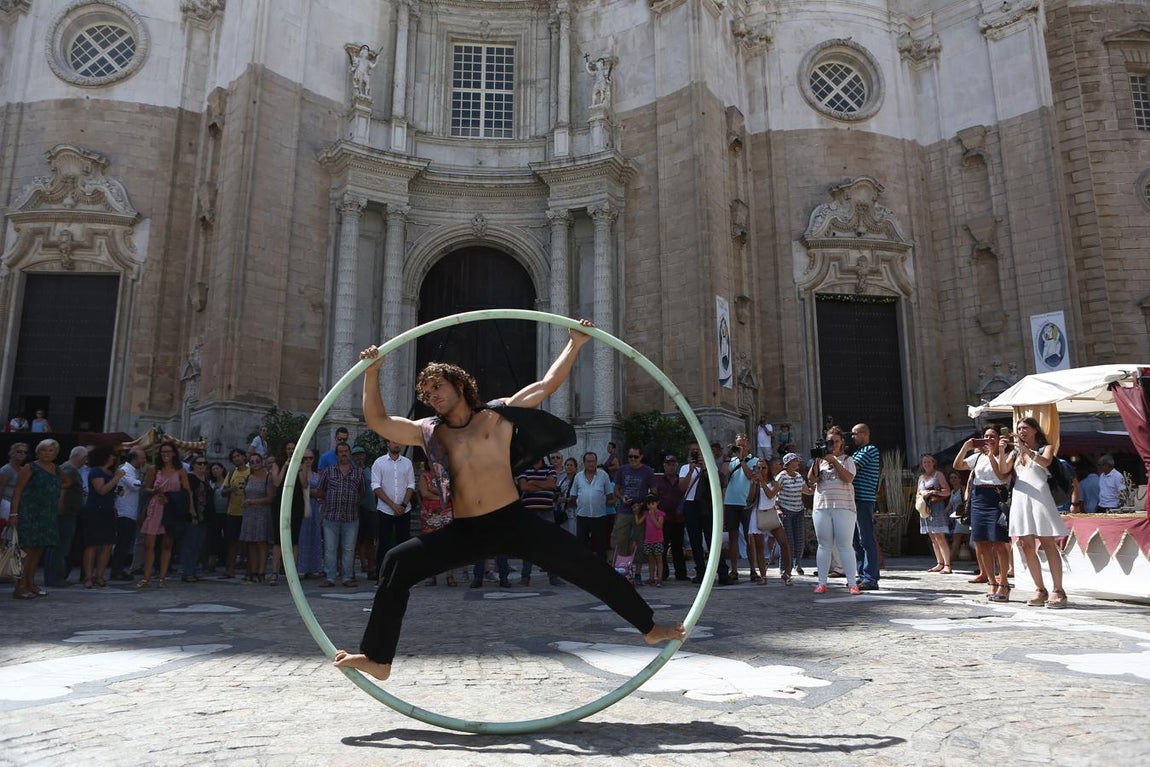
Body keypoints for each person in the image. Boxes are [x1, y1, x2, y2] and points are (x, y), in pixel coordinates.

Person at [334, 322, 684, 681]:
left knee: (587, 565)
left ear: (458, 384)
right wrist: (371, 372)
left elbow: (547, 385)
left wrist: (575, 344)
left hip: (514, 523)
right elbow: (378, 421)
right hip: (467, 530)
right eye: (426, 392)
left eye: (437, 387)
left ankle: (649, 626)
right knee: (395, 561)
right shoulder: (429, 432)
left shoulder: (499, 415)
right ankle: (378, 658)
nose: (432, 396)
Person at [1000, 418, 1070, 609]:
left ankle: (1058, 590)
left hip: (1040, 496)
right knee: (1026, 544)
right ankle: (1040, 588)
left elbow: (1046, 462)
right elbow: (1003, 471)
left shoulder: (1045, 447)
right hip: (1021, 498)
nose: (1021, 431)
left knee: (1047, 542)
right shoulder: (1015, 452)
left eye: (1025, 428)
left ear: (1035, 430)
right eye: (1019, 428)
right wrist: (999, 450)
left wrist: (1026, 450)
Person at [954, 427, 1013, 602]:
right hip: (978, 498)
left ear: (999, 438)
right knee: (981, 542)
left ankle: (1004, 582)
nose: (989, 439)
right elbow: (958, 465)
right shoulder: (978, 457)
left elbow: (1001, 474)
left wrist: (992, 455)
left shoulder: (1006, 455)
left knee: (999, 543)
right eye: (986, 436)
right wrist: (965, 448)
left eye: (992, 436)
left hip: (996, 497)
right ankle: (991, 580)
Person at [809, 427, 860, 595]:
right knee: (824, 545)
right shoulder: (820, 461)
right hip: (822, 506)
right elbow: (811, 479)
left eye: (837, 441)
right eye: (830, 441)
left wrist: (834, 461)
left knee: (845, 545)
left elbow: (848, 478)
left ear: (842, 443)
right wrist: (818, 460)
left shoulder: (847, 459)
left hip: (843, 507)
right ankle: (821, 583)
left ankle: (852, 583)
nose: (834, 444)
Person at [8, 439, 62, 598]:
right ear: (38, 452)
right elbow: (17, 491)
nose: (47, 453)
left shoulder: (57, 469)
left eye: (51, 450)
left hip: (47, 515)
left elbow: (67, 482)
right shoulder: (30, 468)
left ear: (56, 453)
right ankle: (20, 586)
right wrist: (13, 514)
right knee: (27, 551)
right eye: (44, 450)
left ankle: (31, 583)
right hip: (29, 513)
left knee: (39, 550)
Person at [139, 443, 189, 588]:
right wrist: (154, 491)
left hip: (171, 508)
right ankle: (146, 578)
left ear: (174, 453)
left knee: (167, 544)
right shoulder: (155, 470)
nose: (165, 454)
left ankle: (162, 577)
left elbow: (186, 492)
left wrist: (171, 498)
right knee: (149, 544)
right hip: (156, 507)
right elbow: (147, 488)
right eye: (162, 452)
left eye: (168, 451)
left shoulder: (180, 471)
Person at [316, 442, 366, 588]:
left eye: (346, 451)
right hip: (331, 516)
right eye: (341, 452)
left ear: (349, 454)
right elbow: (320, 490)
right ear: (336, 455)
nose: (344, 454)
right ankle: (330, 577)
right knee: (330, 548)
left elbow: (362, 492)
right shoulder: (329, 471)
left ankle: (347, 577)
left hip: (351, 517)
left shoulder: (358, 473)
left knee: (349, 549)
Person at [371, 439, 416, 578]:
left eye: (398, 442)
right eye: (393, 442)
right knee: (384, 543)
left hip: (404, 510)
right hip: (385, 509)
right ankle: (382, 575)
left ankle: (404, 575)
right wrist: (392, 505)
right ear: (388, 444)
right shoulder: (379, 463)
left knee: (404, 543)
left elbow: (411, 485)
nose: (396, 444)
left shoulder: (407, 463)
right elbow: (376, 486)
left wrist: (402, 505)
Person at [80, 446, 123, 588]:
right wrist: (116, 478)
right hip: (95, 510)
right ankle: (88, 576)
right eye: (112, 455)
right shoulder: (96, 471)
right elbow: (101, 490)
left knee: (107, 544)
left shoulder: (109, 473)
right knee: (92, 544)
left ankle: (100, 575)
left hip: (107, 510)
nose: (114, 458)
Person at [48, 446, 88, 588]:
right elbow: (61, 489)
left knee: (61, 546)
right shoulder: (69, 469)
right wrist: (61, 507)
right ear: (82, 458)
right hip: (65, 513)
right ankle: (56, 577)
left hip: (69, 512)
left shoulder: (68, 468)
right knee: (60, 547)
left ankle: (56, 576)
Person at [518, 457, 560, 586]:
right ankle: (525, 577)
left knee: (549, 546)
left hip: (546, 511)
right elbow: (523, 486)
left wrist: (533, 482)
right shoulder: (524, 469)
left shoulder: (550, 469)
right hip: (529, 512)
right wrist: (543, 484)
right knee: (528, 546)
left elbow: (551, 485)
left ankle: (553, 577)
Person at [849, 424, 881, 590]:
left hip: (864, 499)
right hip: (854, 500)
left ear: (865, 434)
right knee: (856, 541)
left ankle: (871, 577)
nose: (852, 437)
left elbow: (851, 468)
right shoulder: (857, 452)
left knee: (866, 539)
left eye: (855, 434)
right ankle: (862, 575)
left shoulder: (871, 450)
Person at [721, 434, 758, 581]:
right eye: (738, 445)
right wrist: (728, 456)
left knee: (750, 537)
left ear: (748, 446)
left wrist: (742, 459)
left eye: (743, 445)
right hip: (731, 501)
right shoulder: (732, 461)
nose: (740, 448)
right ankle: (734, 570)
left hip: (746, 503)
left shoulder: (754, 460)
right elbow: (723, 475)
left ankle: (753, 570)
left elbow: (750, 476)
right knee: (733, 537)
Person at [613, 445, 655, 564]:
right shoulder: (622, 469)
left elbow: (654, 492)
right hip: (624, 510)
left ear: (641, 457)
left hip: (640, 511)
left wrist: (642, 504)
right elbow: (616, 489)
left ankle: (637, 572)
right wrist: (622, 497)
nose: (632, 459)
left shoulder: (647, 471)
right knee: (620, 540)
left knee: (640, 542)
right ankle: (621, 568)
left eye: (635, 456)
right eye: (630, 456)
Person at [109, 447, 146, 581]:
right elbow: (134, 485)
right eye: (142, 458)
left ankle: (119, 568)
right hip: (124, 511)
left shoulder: (132, 470)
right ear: (135, 459)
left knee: (126, 542)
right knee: (122, 543)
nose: (144, 460)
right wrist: (144, 478)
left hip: (130, 511)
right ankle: (116, 570)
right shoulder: (125, 470)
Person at [572, 452, 614, 563]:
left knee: (601, 546)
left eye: (593, 461)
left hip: (599, 516)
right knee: (582, 545)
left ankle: (602, 571)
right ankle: (583, 570)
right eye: (588, 461)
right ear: (584, 463)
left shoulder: (603, 476)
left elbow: (610, 495)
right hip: (582, 516)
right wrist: (580, 504)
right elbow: (573, 495)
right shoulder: (578, 477)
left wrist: (602, 503)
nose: (591, 464)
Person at [239, 452, 274, 583]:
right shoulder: (249, 477)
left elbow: (270, 497)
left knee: (261, 542)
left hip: (262, 512)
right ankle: (253, 571)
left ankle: (261, 571)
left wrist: (253, 502)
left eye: (257, 461)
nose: (255, 464)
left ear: (262, 462)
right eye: (252, 462)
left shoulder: (268, 477)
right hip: (249, 513)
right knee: (251, 542)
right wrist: (244, 502)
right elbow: (245, 493)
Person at [776, 453, 810, 577]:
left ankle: (798, 564)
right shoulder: (781, 477)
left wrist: (816, 484)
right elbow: (775, 494)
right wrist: (777, 509)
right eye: (795, 461)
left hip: (798, 510)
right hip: (786, 511)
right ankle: (784, 566)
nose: (797, 463)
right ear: (788, 464)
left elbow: (807, 491)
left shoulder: (799, 476)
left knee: (800, 540)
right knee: (787, 541)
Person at [917, 453, 952, 574]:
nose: (926, 464)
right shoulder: (921, 477)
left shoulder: (938, 475)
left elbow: (947, 491)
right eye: (924, 462)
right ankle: (939, 562)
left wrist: (932, 492)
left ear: (933, 463)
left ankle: (947, 564)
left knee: (940, 536)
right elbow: (918, 493)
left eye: (928, 462)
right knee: (932, 537)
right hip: (925, 509)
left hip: (936, 507)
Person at [654, 455, 686, 582]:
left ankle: (681, 573)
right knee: (662, 546)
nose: (671, 467)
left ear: (676, 465)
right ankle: (663, 573)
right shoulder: (659, 481)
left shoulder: (681, 480)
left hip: (678, 518)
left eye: (673, 464)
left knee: (678, 547)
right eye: (668, 464)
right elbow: (654, 498)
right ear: (664, 466)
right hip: (664, 519)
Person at [219, 449, 250, 578]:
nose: (237, 459)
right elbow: (223, 492)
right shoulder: (232, 473)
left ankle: (250, 570)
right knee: (231, 542)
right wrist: (230, 490)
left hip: (248, 512)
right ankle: (230, 569)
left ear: (244, 457)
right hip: (233, 512)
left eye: (238, 456)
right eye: (234, 457)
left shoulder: (251, 471)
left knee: (248, 543)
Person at [181, 455, 212, 583]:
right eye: (199, 463)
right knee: (190, 544)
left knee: (198, 545)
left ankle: (193, 570)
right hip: (193, 516)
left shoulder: (205, 479)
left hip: (204, 516)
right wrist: (192, 513)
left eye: (204, 463)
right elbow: (189, 495)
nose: (202, 466)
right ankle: (187, 571)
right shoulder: (190, 478)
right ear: (193, 465)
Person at [352, 447, 378, 580]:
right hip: (355, 509)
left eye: (361, 454)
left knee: (369, 539)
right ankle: (363, 565)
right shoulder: (351, 471)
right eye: (356, 455)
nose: (358, 457)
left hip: (370, 508)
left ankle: (371, 566)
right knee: (358, 539)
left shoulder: (371, 470)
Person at [635, 493, 665, 586]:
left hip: (658, 540)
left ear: (657, 503)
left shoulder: (660, 514)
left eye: (653, 504)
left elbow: (659, 526)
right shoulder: (646, 513)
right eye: (648, 504)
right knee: (651, 560)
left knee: (659, 560)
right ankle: (651, 578)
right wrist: (636, 514)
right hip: (648, 540)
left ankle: (659, 578)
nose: (651, 506)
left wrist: (652, 516)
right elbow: (638, 522)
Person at [0, 443, 30, 535]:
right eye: (19, 451)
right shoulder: (6, 469)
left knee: (13, 534)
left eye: (25, 452)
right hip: (6, 504)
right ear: (12, 453)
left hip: (17, 505)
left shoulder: (23, 469)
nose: (22, 454)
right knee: (4, 533)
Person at [946, 470, 971, 565]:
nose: (953, 480)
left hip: (963, 517)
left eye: (955, 478)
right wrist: (944, 514)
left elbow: (967, 501)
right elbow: (949, 505)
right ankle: (976, 559)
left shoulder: (963, 489)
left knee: (956, 537)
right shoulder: (952, 491)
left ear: (960, 479)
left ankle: (948, 562)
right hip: (955, 518)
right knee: (969, 540)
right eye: (951, 478)